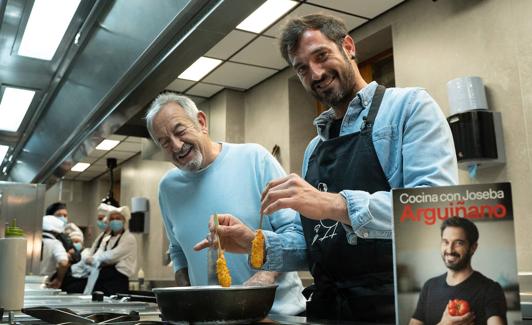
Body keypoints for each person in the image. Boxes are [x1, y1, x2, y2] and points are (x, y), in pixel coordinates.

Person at [196, 13, 459, 322]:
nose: (316, 73)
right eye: (302, 68)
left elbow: (435, 212)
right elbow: (317, 246)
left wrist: (334, 203)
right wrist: (255, 243)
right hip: (329, 310)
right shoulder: (314, 149)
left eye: (321, 56)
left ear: (348, 46)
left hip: (401, 309)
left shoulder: (409, 107)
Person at [145, 93, 306, 315]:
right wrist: (186, 297)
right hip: (211, 318)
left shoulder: (254, 159)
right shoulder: (167, 188)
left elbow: (295, 231)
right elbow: (177, 250)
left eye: (180, 131)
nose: (176, 145)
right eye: (164, 142)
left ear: (201, 122)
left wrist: (262, 280)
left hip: (277, 315)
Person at [409, 217, 507, 325]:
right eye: (445, 242)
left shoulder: (490, 289)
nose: (450, 250)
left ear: (473, 248)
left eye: (458, 243)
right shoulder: (429, 286)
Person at [85, 206, 137, 295]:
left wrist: (97, 260)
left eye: (118, 218)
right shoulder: (107, 239)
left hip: (118, 281)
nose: (114, 221)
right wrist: (97, 260)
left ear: (124, 220)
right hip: (103, 279)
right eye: (112, 219)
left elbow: (112, 256)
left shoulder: (129, 238)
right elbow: (98, 255)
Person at [40, 215, 70, 289]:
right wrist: (59, 280)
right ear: (56, 232)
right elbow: (63, 263)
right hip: (44, 284)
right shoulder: (55, 243)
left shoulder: (30, 240)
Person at [61, 228, 89, 293]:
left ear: (82, 243)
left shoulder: (86, 253)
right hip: (67, 282)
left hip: (79, 283)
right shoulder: (66, 253)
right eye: (72, 242)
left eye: (77, 242)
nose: (74, 244)